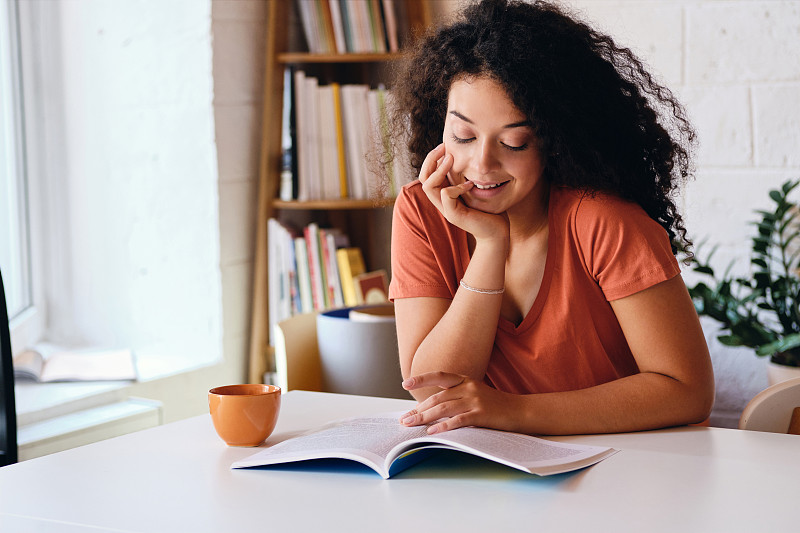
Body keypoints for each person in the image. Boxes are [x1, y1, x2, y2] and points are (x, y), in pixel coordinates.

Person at [387, 0, 714, 436]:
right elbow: (431, 389)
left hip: (635, 464)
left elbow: (687, 390)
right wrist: (489, 247)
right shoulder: (420, 212)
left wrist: (515, 412)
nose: (481, 164)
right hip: (502, 474)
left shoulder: (604, 223)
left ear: (554, 140)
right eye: (462, 135)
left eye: (515, 142)